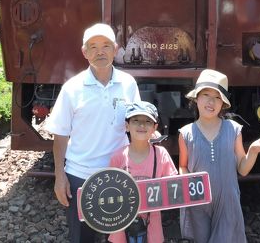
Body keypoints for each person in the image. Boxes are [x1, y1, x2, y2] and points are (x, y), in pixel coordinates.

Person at [45, 23, 141, 243]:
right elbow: (60, 137)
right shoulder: (72, 88)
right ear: (84, 52)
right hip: (80, 176)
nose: (100, 51)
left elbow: (136, 125)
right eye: (94, 46)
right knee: (82, 238)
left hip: (119, 175)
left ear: (116, 50)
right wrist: (60, 177)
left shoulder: (128, 84)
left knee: (118, 237)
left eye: (106, 45)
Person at [178, 69, 260, 243]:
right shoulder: (186, 133)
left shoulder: (233, 129)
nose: (211, 101)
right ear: (196, 98)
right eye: (206, 94)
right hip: (197, 202)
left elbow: (243, 169)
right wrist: (187, 182)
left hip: (227, 202)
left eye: (217, 97)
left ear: (223, 103)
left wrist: (253, 151)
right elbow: (183, 165)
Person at [108, 101, 178, 243]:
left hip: (152, 228)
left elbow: (173, 189)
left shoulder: (161, 154)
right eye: (136, 121)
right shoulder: (118, 157)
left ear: (154, 127)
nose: (141, 125)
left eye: (147, 121)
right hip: (121, 229)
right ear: (127, 126)